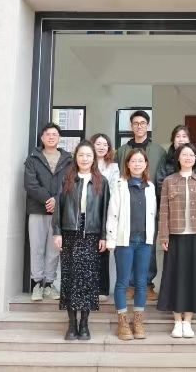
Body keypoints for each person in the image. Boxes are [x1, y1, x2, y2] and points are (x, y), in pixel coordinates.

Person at [52, 141, 110, 341]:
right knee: (69, 278)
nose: (85, 159)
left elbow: (105, 211)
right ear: (75, 157)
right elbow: (59, 207)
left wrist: (104, 236)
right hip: (70, 232)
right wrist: (57, 232)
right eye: (81, 155)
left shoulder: (101, 181)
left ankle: (84, 324)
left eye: (88, 155)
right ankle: (71, 324)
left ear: (94, 158)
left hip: (91, 234)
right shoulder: (67, 178)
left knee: (88, 280)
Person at [157, 143, 196, 338]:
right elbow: (164, 210)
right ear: (178, 158)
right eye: (184, 155)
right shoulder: (169, 181)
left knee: (194, 278)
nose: (188, 158)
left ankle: (188, 321)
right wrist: (163, 235)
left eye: (191, 155)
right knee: (175, 277)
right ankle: (177, 321)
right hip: (175, 236)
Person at [106, 149, 157, 341]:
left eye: (140, 161)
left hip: (144, 241)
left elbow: (152, 214)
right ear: (127, 164)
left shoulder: (150, 187)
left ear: (146, 164)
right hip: (124, 241)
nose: (137, 164)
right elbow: (112, 214)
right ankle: (122, 322)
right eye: (133, 161)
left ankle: (138, 321)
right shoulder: (120, 185)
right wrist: (111, 239)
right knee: (123, 281)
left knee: (142, 282)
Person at [115, 111, 166, 301]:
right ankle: (129, 285)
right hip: (127, 202)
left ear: (148, 126)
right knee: (127, 244)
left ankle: (146, 284)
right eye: (135, 123)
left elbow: (162, 178)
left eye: (142, 123)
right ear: (131, 126)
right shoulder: (122, 151)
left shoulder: (159, 151)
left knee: (148, 246)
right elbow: (117, 176)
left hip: (150, 203)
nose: (139, 126)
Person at [24, 122, 72, 302]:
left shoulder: (68, 160)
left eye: (54, 134)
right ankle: (37, 284)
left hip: (59, 212)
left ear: (59, 138)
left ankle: (49, 285)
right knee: (36, 248)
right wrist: (48, 199)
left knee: (54, 250)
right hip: (37, 209)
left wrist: (57, 200)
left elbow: (70, 184)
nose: (51, 137)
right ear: (42, 138)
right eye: (48, 134)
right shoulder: (33, 158)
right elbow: (30, 184)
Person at [90, 133, 119, 302]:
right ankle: (88, 288)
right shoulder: (86, 163)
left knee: (103, 249)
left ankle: (102, 289)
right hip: (88, 212)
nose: (101, 147)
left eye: (104, 144)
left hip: (106, 211)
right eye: (98, 144)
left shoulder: (113, 167)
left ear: (109, 148)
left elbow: (114, 189)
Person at [155, 125, 196, 195]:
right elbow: (160, 183)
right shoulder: (166, 158)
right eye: (178, 136)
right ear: (173, 140)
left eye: (184, 136)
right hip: (171, 198)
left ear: (189, 140)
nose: (181, 139)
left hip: (194, 197)